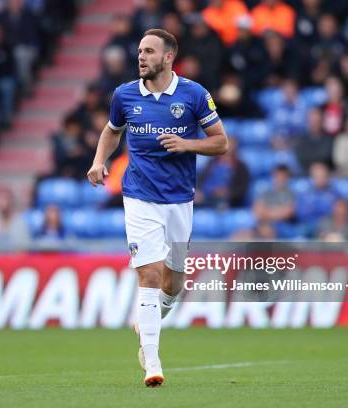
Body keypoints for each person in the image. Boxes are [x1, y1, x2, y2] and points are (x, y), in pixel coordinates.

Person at [86, 29, 228, 387]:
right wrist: (99, 161)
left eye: (149, 51)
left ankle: (146, 322)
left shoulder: (194, 95)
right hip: (139, 196)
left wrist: (186, 144)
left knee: (174, 280)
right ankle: (152, 361)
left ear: (168, 58)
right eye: (139, 51)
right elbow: (112, 130)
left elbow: (221, 142)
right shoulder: (125, 94)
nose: (141, 57)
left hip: (179, 199)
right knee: (148, 273)